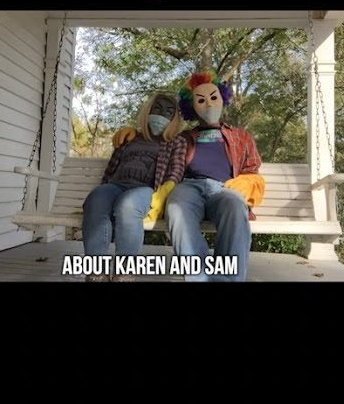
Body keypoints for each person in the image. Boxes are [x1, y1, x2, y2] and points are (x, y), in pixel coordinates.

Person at [161, 72, 265, 282]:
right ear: (192, 107)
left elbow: (252, 169)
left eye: (213, 97)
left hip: (225, 188)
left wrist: (245, 183)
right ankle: (199, 277)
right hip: (190, 186)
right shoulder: (183, 138)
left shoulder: (241, 136)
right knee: (176, 208)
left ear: (222, 98)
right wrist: (133, 134)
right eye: (201, 100)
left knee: (235, 205)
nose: (209, 104)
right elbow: (159, 152)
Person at [81, 93, 186, 282]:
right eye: (157, 108)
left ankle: (125, 271)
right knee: (96, 199)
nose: (161, 114)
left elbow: (176, 169)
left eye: (168, 112)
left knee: (127, 205)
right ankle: (95, 271)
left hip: (144, 189)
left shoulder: (176, 142)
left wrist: (164, 192)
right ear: (148, 111)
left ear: (174, 119)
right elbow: (112, 167)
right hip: (116, 185)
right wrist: (104, 190)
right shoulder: (130, 137)